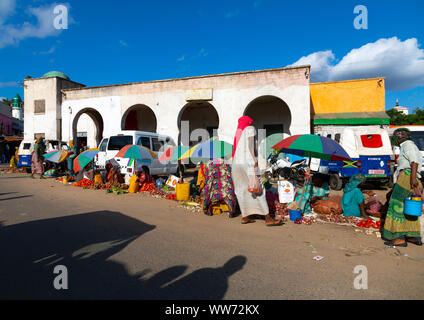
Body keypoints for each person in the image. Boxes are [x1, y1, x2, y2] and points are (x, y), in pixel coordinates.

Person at [231, 116, 282, 226]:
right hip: (248, 163)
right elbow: (250, 145)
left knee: (241, 189)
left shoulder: (238, 132)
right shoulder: (249, 129)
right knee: (259, 188)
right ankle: (268, 218)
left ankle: (245, 217)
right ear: (249, 122)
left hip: (236, 164)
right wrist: (255, 160)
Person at [383, 128, 422, 247]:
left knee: (397, 207)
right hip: (412, 178)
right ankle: (413, 236)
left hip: (408, 177)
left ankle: (399, 238)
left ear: (399, 138)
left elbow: (414, 162)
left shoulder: (407, 145)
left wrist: (413, 179)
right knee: (410, 209)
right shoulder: (411, 145)